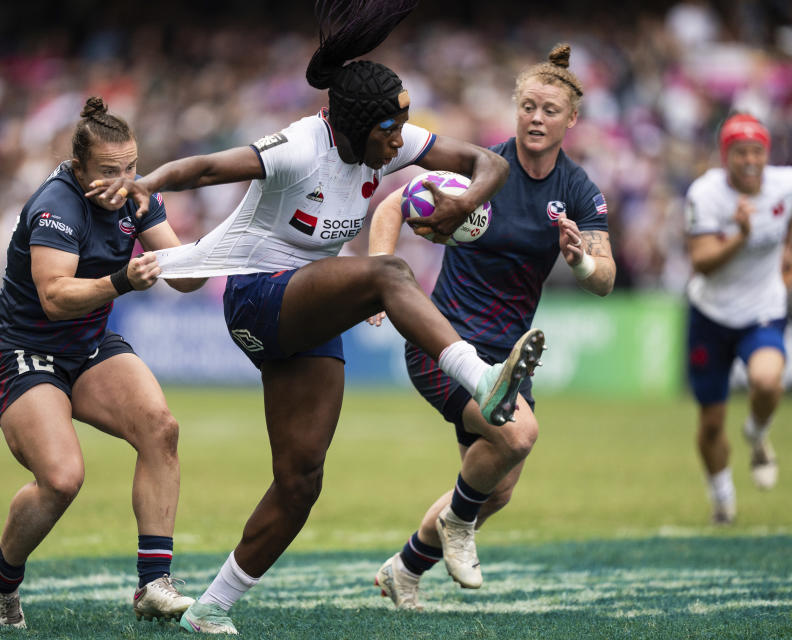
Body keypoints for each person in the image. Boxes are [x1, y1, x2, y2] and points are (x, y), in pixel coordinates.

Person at [87, 0, 546, 634]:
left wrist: (463, 202)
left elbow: (488, 164)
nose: (401, 139)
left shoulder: (390, 140)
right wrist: (149, 181)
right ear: (354, 126)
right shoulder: (303, 144)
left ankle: (211, 611)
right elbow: (210, 166)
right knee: (388, 275)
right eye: (390, 127)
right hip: (256, 298)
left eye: (404, 125)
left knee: (301, 482)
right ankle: (481, 378)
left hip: (307, 310)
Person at [367, 43, 616, 610]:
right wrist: (379, 278)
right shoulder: (479, 168)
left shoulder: (577, 190)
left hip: (509, 357)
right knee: (518, 436)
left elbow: (604, 277)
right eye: (528, 106)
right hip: (443, 341)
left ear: (571, 120)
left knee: (496, 490)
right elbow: (390, 209)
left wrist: (577, 259)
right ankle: (457, 525)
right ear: (516, 109)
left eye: (550, 110)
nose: (536, 117)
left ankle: (405, 569)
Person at [0, 97, 205, 629]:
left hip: (88, 345)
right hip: (22, 351)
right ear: (78, 169)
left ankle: (153, 584)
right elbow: (54, 296)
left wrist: (222, 246)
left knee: (160, 428)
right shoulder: (57, 204)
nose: (123, 181)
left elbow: (187, 277)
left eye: (130, 167)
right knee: (61, 478)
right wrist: (123, 280)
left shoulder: (136, 195)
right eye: (108, 171)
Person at [683, 112, 792, 524]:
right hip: (710, 315)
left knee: (768, 380)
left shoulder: (785, 185)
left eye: (757, 151)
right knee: (711, 423)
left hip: (761, 312)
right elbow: (702, 262)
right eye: (740, 152)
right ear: (725, 156)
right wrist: (741, 237)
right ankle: (723, 499)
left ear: (768, 153)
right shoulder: (705, 194)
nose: (750, 160)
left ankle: (758, 434)